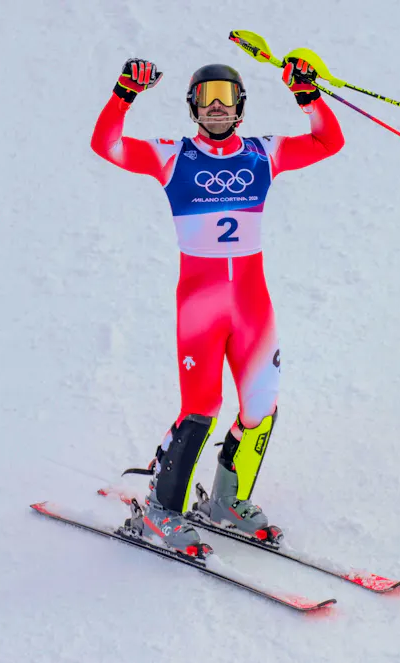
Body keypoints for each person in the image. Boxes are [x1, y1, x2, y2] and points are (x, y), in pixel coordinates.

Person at [91, 56, 344, 555]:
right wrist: (124, 93)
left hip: (251, 304)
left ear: (241, 106)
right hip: (202, 306)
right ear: (192, 108)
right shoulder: (173, 155)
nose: (216, 107)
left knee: (260, 406)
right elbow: (108, 145)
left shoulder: (262, 153)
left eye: (226, 97)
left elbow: (327, 142)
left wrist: (307, 94)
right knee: (202, 406)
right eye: (205, 99)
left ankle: (228, 502)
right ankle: (160, 512)